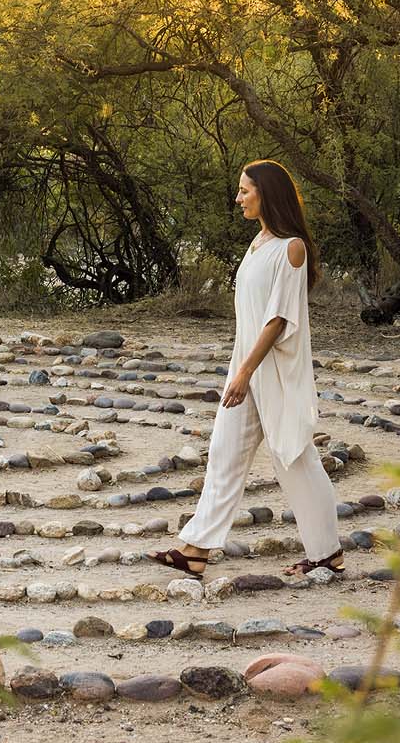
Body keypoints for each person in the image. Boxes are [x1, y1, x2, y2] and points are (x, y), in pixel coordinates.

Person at [149, 159, 343, 578]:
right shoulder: (257, 243)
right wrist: (240, 368)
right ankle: (196, 549)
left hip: (271, 371)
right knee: (224, 454)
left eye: (245, 191)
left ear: (266, 193)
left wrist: (245, 372)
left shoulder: (291, 248)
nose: (238, 198)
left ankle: (326, 552)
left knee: (294, 458)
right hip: (246, 366)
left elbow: (278, 320)